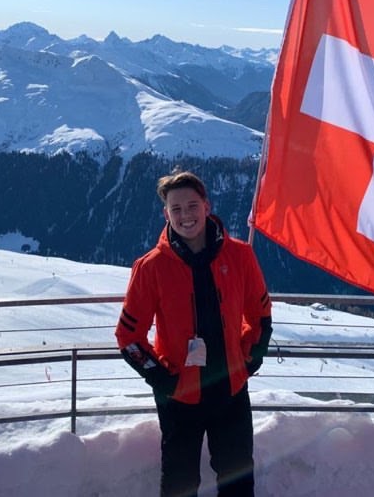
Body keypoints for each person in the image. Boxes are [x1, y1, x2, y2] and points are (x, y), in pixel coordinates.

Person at [115, 169, 272, 497]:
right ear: (166, 214)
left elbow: (260, 316)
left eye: (192, 205)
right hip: (179, 396)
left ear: (207, 206)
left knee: (237, 477)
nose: (185, 215)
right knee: (179, 481)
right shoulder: (151, 267)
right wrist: (162, 379)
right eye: (176, 209)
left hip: (230, 390)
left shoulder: (240, 255)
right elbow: (128, 338)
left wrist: (248, 361)